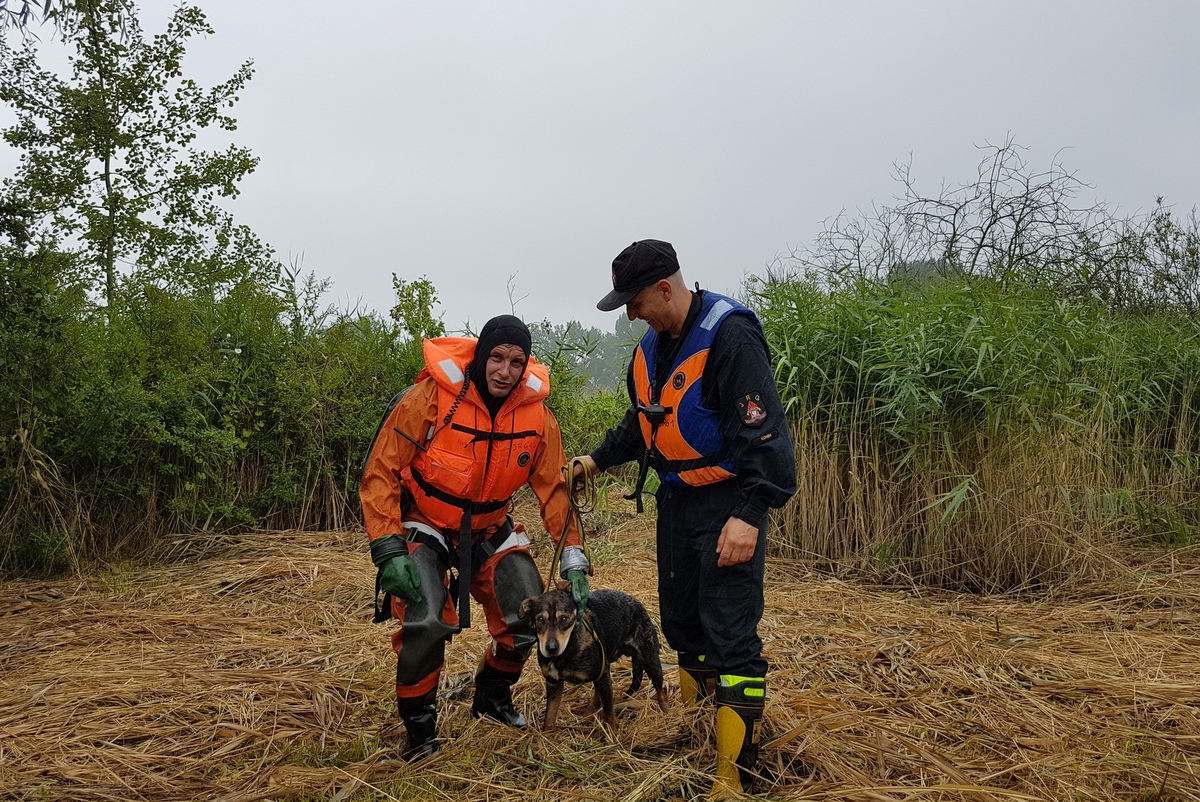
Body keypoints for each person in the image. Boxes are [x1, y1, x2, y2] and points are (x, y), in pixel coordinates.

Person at [573, 240, 796, 798]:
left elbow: (767, 436)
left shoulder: (730, 337)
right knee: (681, 624)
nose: (631, 315)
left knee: (730, 636)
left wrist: (749, 515)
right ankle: (697, 738)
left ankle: (732, 776)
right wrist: (594, 460)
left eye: (635, 302)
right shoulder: (651, 349)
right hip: (676, 502)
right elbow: (642, 423)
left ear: (664, 289)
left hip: (729, 502)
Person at [360, 314, 591, 760]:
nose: (505, 371)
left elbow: (555, 490)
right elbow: (380, 469)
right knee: (425, 620)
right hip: (426, 522)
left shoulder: (538, 417)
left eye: (517, 362)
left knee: (530, 611)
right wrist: (388, 549)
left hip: (489, 528)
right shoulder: (431, 398)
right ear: (482, 355)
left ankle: (492, 696)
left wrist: (574, 557)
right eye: (497, 358)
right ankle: (420, 729)